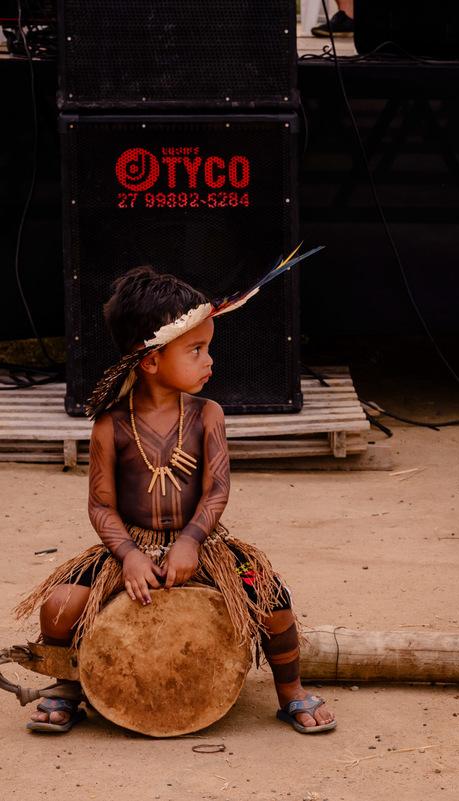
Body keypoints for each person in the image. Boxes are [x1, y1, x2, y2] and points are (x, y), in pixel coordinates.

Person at [16, 256, 336, 734]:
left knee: (274, 599)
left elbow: (217, 489)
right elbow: (101, 505)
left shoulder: (208, 415)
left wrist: (190, 541)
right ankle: (66, 686)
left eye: (208, 348)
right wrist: (128, 555)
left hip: (202, 542)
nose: (210, 361)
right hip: (129, 546)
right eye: (196, 350)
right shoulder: (110, 427)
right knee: (59, 607)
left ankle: (290, 691)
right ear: (150, 361)